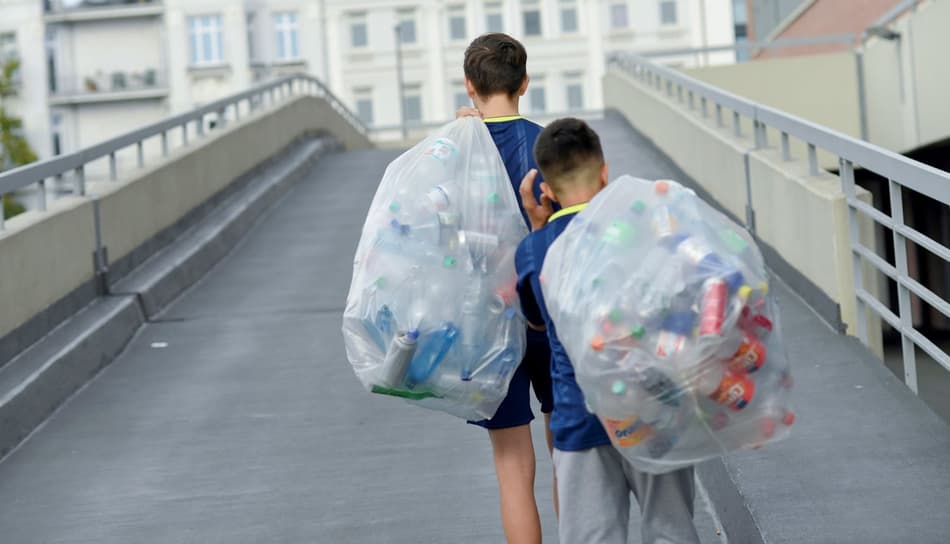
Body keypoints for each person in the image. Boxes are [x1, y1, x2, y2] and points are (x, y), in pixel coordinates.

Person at [515, 118, 702, 544]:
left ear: (545, 188)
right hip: (655, 408)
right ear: (605, 172)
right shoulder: (646, 231)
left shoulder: (537, 250)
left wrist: (539, 229)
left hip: (580, 417)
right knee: (672, 532)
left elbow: (537, 319)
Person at [457, 33, 557, 544]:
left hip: (488, 331)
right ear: (524, 83)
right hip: (549, 315)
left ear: (469, 85)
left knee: (513, 471)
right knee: (570, 456)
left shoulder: (453, 153)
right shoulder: (548, 147)